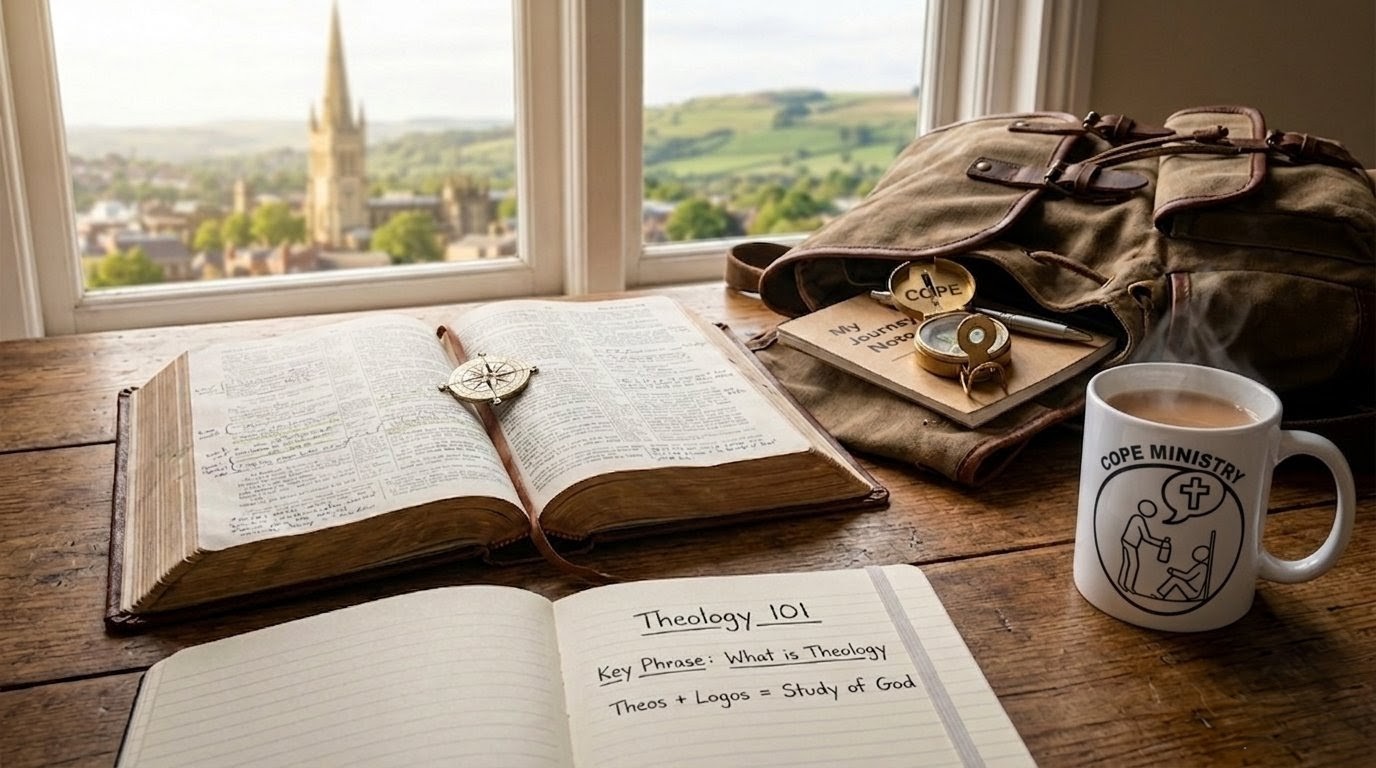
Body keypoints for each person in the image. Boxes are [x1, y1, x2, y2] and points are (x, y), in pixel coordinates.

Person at [1118, 500, 1169, 594]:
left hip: (1126, 541)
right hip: (1131, 544)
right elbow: (1147, 538)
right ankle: (1129, 585)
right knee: (1134, 564)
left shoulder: (1136, 518)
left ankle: (1122, 583)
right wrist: (1161, 544)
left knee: (1127, 563)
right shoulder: (1139, 520)